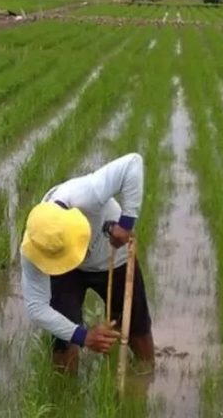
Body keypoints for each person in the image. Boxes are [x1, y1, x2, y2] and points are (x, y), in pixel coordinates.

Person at [20, 153, 155, 373]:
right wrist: (84, 336)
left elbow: (132, 164)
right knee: (62, 339)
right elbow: (37, 307)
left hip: (112, 255)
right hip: (66, 274)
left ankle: (146, 374)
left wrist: (126, 223)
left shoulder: (86, 194)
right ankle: (64, 388)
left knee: (135, 324)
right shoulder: (36, 244)